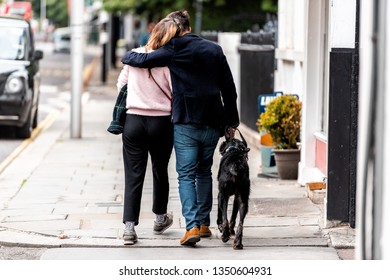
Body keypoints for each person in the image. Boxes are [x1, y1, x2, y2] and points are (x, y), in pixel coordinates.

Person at [121, 10, 240, 246]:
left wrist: (126, 55)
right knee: (204, 171)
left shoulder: (174, 48)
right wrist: (231, 122)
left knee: (186, 174)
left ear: (175, 28)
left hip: (186, 121)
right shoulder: (214, 49)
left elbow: (143, 60)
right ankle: (205, 223)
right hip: (212, 122)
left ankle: (192, 226)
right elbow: (229, 89)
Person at [116, 18, 181, 245]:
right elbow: (176, 92)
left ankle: (129, 228)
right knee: (160, 169)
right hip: (161, 122)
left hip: (133, 121)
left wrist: (137, 94)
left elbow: (121, 85)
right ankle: (160, 218)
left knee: (133, 174)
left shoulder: (134, 55)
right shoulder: (169, 61)